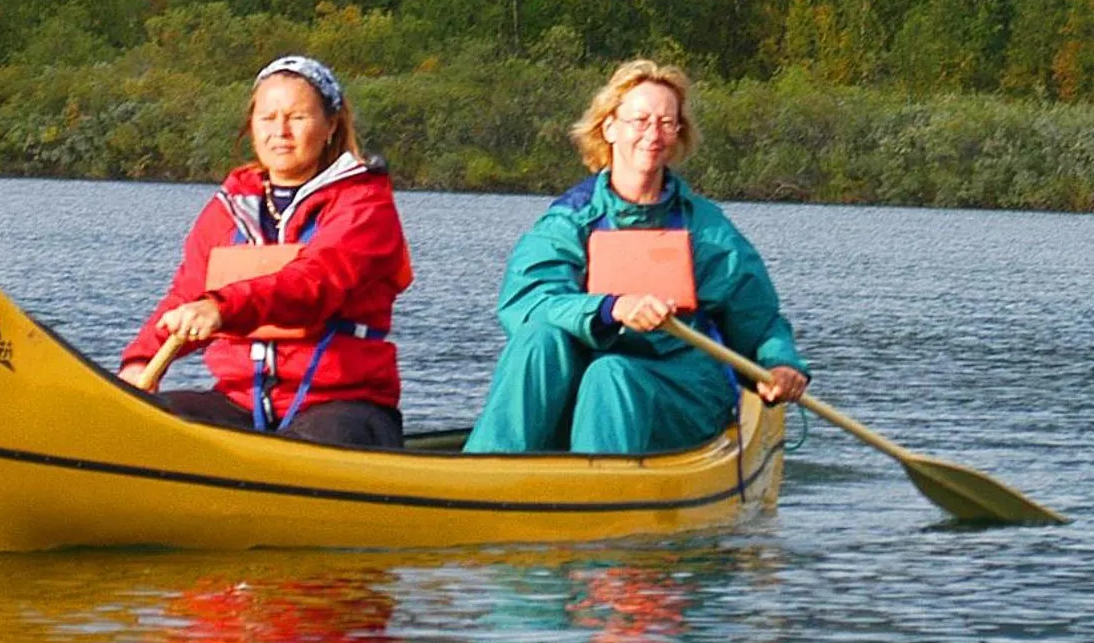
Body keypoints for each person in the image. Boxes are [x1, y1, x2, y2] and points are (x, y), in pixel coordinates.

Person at [465, 58, 808, 456]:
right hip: (584, 380)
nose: (653, 134)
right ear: (609, 127)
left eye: (666, 123)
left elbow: (759, 322)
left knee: (611, 375)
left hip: (680, 389)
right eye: (640, 120)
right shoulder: (569, 220)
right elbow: (527, 303)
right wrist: (612, 308)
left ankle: (600, 491)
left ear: (678, 134)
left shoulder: (707, 231)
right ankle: (490, 466)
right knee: (540, 339)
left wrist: (782, 366)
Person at [120, 55, 412, 448]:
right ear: (251, 126)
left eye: (297, 118)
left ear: (330, 126)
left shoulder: (365, 203)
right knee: (149, 425)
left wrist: (222, 308)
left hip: (344, 404)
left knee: (309, 445)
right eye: (268, 118)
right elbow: (186, 295)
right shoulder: (230, 206)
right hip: (239, 402)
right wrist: (140, 360)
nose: (281, 132)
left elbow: (313, 282)